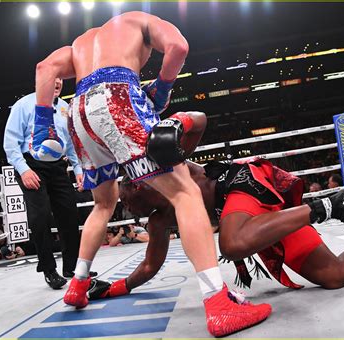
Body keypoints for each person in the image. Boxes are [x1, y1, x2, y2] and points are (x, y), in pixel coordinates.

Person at [33, 11, 271, 337]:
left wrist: (42, 124)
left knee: (103, 203)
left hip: (79, 110)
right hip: (117, 96)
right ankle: (218, 303)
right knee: (183, 190)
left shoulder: (81, 42)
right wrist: (161, 89)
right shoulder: (138, 20)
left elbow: (44, 68)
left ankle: (78, 284)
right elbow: (178, 47)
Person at [95, 160, 344, 297]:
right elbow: (150, 266)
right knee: (334, 274)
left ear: (132, 185)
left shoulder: (161, 167)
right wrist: (111, 289)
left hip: (242, 185)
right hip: (256, 217)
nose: (126, 211)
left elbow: (196, 120)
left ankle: (331, 204)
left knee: (233, 242)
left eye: (122, 201)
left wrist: (171, 122)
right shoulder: (158, 220)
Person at [3, 78, 96, 290]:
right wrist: (24, 170)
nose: (56, 83)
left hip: (58, 166)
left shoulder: (65, 108)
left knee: (69, 214)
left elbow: (70, 143)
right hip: (31, 163)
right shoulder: (23, 105)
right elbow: (11, 142)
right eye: (51, 79)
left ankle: (71, 267)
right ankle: (48, 269)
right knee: (40, 216)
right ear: (39, 82)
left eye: (60, 80)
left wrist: (78, 169)